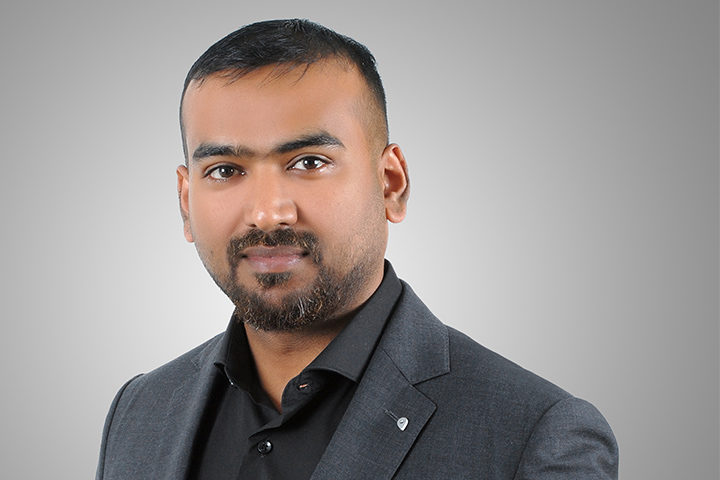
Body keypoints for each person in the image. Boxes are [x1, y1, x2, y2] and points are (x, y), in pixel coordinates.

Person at [96, 19, 618, 479]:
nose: (267, 212)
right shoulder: (140, 411)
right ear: (186, 203)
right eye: (225, 171)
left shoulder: (535, 436)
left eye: (308, 162)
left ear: (390, 183)